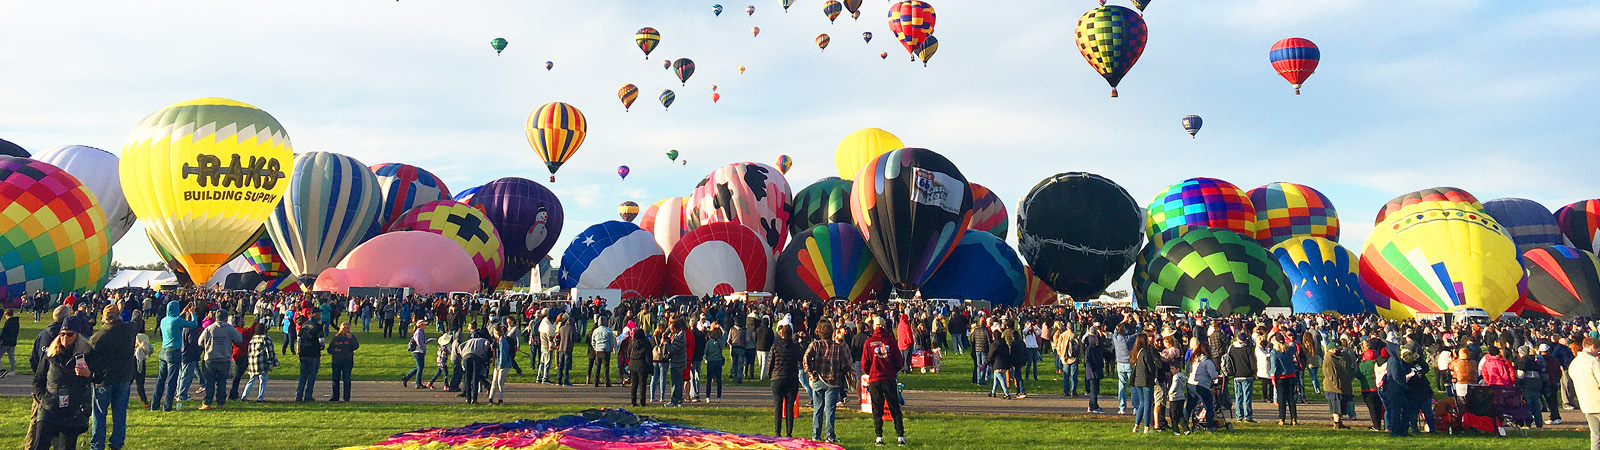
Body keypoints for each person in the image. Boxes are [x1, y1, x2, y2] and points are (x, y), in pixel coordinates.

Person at [30, 316, 93, 450]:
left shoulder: (87, 353)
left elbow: (100, 377)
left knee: (65, 447)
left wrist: (88, 374)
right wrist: (44, 398)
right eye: (62, 334)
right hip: (50, 407)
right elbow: (38, 380)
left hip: (72, 410)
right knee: (39, 445)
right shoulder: (51, 354)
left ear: (77, 335)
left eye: (69, 334)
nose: (65, 338)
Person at [88, 305, 137, 450]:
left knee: (99, 415)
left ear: (103, 317)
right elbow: (137, 319)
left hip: (104, 380)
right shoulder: (128, 330)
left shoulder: (98, 337)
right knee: (120, 413)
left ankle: (97, 444)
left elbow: (89, 358)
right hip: (123, 377)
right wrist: (133, 309)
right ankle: (116, 443)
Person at [861, 316, 906, 446]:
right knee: (894, 407)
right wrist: (893, 370)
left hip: (875, 379)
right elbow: (899, 361)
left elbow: (865, 363)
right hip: (889, 378)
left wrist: (871, 371)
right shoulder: (891, 341)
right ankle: (900, 436)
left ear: (874, 327)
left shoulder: (869, 342)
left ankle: (879, 436)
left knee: (877, 408)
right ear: (884, 326)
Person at [804, 321, 848, 443]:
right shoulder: (838, 347)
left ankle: (815, 435)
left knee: (817, 409)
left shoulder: (815, 345)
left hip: (818, 380)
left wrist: (811, 373)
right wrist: (842, 372)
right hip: (833, 381)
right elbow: (845, 364)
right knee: (830, 410)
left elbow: (805, 359)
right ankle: (830, 436)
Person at [151, 301, 197, 411]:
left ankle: (155, 404)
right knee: (171, 380)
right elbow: (193, 324)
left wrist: (182, 312)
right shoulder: (177, 321)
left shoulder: (164, 320)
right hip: (174, 352)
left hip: (163, 351)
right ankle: (167, 406)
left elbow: (175, 319)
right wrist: (192, 313)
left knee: (161, 379)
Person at [197, 312, 242, 410]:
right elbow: (239, 338)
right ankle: (220, 403)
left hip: (210, 358)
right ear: (225, 318)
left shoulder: (209, 328)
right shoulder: (229, 328)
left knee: (209, 382)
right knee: (222, 382)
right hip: (224, 358)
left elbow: (200, 342)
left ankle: (207, 403)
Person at [768, 320, 802, 437]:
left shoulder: (775, 347)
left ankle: (777, 432)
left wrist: (770, 376)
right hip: (791, 378)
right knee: (789, 408)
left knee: (777, 407)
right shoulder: (795, 347)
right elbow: (800, 359)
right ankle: (789, 432)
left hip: (777, 378)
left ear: (781, 334)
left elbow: (770, 364)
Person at [1567, 337, 1600, 449]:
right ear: (1593, 347)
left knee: (1595, 435)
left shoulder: (1574, 363)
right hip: (1598, 401)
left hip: (1586, 403)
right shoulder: (1594, 361)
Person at [1322, 339, 1354, 430]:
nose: (1338, 351)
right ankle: (1336, 424)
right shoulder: (1330, 359)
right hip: (1333, 387)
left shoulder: (1336, 357)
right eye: (1336, 349)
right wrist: (1337, 385)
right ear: (1331, 349)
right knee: (1335, 405)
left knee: (1339, 405)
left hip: (1337, 385)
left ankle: (1339, 422)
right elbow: (1332, 374)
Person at [240, 322, 277, 402]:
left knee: (251, 380)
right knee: (263, 380)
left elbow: (249, 351)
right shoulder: (265, 338)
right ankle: (260, 397)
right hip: (262, 362)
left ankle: (244, 396)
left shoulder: (253, 338)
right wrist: (271, 363)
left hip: (252, 362)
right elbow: (270, 351)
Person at [1189, 339, 1219, 433]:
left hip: (1191, 383)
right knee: (1208, 406)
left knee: (1189, 406)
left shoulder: (1194, 359)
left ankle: (1185, 424)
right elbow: (1214, 375)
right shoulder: (1207, 362)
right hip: (1202, 385)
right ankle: (1210, 427)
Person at [1129, 334, 1157, 434]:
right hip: (1146, 380)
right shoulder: (1146, 352)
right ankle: (1146, 426)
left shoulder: (1134, 352)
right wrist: (1154, 374)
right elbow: (1150, 366)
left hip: (1137, 380)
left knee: (1141, 403)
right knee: (1148, 403)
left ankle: (1136, 425)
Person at [1269, 338, 1299, 425]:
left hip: (1280, 377)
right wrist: (1288, 338)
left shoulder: (1274, 352)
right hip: (1291, 376)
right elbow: (1294, 345)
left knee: (1281, 399)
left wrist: (1272, 376)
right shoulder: (1289, 350)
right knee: (1291, 398)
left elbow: (1274, 365)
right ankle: (1294, 418)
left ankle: (1282, 419)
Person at [327, 322, 359, 402]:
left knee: (347, 379)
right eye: (344, 328)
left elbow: (355, 346)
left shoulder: (352, 337)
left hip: (347, 361)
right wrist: (335, 350)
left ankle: (346, 397)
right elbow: (329, 349)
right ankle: (335, 396)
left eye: (348, 328)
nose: (346, 329)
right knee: (335, 379)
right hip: (337, 361)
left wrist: (350, 339)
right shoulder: (336, 338)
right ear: (341, 329)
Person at [295, 316, 324, 402]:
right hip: (313, 353)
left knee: (303, 375)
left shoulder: (303, 325)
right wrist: (321, 347)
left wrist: (299, 349)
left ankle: (299, 394)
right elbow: (321, 340)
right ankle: (308, 395)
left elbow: (299, 338)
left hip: (303, 352)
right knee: (312, 375)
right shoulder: (318, 326)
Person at [460, 325, 491, 404]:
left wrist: (462, 354)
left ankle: (468, 398)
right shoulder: (485, 340)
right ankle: (474, 398)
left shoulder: (470, 340)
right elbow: (486, 347)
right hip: (476, 357)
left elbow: (461, 346)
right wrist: (483, 356)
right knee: (475, 378)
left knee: (467, 378)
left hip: (466, 356)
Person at [1083, 323, 1107, 414]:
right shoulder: (1090, 349)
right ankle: (1093, 406)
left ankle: (1092, 405)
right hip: (1093, 371)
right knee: (1093, 390)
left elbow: (1102, 342)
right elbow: (1087, 361)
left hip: (1096, 370)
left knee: (1095, 389)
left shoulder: (1095, 348)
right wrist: (1091, 370)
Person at [628, 327, 652, 407]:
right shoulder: (646, 344)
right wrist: (650, 368)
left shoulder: (632, 344)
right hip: (642, 365)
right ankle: (642, 401)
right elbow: (648, 356)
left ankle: (633, 401)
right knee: (642, 385)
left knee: (634, 385)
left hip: (633, 365)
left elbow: (628, 354)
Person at [489, 326, 514, 404]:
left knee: (500, 382)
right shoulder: (497, 340)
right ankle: (491, 398)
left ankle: (500, 398)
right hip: (498, 363)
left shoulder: (503, 341)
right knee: (494, 381)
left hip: (504, 364)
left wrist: (500, 365)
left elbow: (503, 354)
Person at [1054, 322, 1079, 397]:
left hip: (1065, 358)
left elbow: (1058, 346)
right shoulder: (1075, 335)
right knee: (1074, 375)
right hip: (1074, 358)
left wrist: (1061, 355)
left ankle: (1066, 391)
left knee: (1066, 375)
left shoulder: (1063, 335)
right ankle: (1073, 391)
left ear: (1067, 327)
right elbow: (1080, 346)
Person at [402, 320, 428, 389]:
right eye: (424, 324)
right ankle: (418, 383)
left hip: (418, 351)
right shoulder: (419, 332)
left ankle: (406, 378)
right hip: (418, 351)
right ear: (420, 325)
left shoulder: (420, 332)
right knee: (420, 368)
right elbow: (419, 343)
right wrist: (424, 350)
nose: (425, 326)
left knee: (419, 367)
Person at [988, 329, 1013, 399]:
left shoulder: (994, 344)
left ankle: (1006, 393)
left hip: (997, 364)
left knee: (1001, 378)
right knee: (996, 378)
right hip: (1004, 363)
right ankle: (993, 392)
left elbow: (991, 355)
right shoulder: (1004, 344)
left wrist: (985, 363)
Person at [590, 320, 616, 387]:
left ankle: (596, 381)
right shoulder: (609, 330)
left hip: (598, 349)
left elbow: (593, 341)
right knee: (606, 366)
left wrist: (595, 348)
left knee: (597, 366)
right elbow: (612, 341)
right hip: (606, 349)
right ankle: (607, 381)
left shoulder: (595, 331)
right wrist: (610, 348)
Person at [703, 325, 726, 401]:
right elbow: (725, 333)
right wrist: (721, 327)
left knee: (709, 380)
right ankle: (718, 397)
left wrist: (706, 358)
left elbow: (705, 352)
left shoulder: (709, 342)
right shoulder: (721, 341)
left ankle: (708, 397)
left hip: (711, 362)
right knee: (719, 380)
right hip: (718, 361)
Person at [1, 309, 19, 376]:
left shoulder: (8, 322)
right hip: (13, 341)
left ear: (6, 315)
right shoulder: (16, 322)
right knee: (11, 357)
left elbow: (4, 332)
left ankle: (2, 370)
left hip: (5, 342)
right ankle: (12, 370)